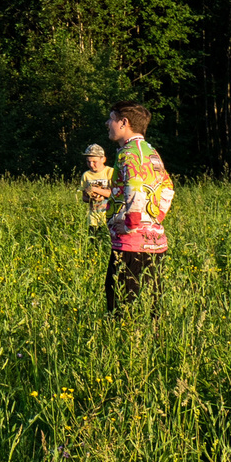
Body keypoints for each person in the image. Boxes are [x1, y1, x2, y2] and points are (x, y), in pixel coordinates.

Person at [103, 104, 174, 316]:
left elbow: (134, 186)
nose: (108, 123)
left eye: (111, 119)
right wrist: (155, 218)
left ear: (124, 123)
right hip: (155, 243)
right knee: (150, 307)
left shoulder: (129, 154)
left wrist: (131, 224)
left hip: (130, 244)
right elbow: (168, 188)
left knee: (120, 307)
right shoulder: (152, 153)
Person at [79, 143, 115, 241]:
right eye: (88, 162)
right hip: (93, 218)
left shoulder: (110, 172)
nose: (91, 165)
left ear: (103, 159)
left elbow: (114, 194)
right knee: (93, 242)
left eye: (94, 162)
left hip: (109, 217)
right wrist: (92, 198)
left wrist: (95, 189)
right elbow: (84, 197)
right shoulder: (86, 175)